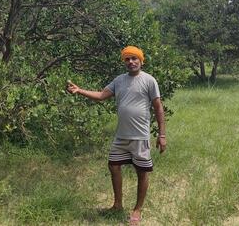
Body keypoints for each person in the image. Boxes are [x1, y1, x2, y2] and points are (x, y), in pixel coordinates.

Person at [67, 45, 166, 225]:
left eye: (134, 58)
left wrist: (162, 134)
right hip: (121, 136)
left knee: (142, 172)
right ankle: (117, 204)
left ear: (141, 60)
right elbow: (101, 95)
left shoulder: (149, 80)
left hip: (140, 136)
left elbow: (158, 108)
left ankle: (137, 210)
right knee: (113, 166)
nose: (131, 62)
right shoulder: (119, 80)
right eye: (127, 59)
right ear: (124, 62)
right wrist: (79, 90)